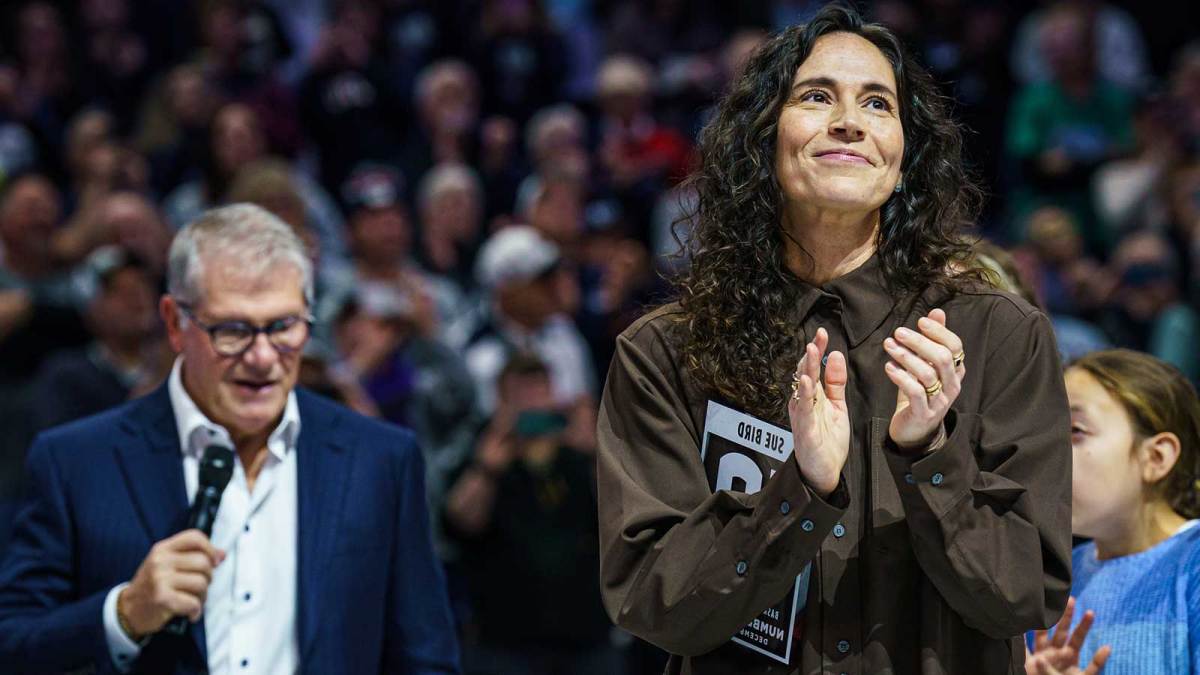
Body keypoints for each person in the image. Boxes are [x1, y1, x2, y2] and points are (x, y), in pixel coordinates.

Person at [596, 6, 1072, 675]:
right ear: (763, 140)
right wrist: (802, 490)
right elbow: (652, 604)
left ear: (905, 157)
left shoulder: (999, 335)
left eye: (877, 103)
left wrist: (928, 453)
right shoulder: (665, 353)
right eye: (817, 96)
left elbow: (1023, 597)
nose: (848, 120)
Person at [0, 204, 459, 674]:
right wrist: (123, 615)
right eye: (233, 330)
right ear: (176, 323)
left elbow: (426, 659)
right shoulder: (76, 462)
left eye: (283, 326)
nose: (262, 358)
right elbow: (13, 647)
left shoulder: (381, 461)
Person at [1025, 349, 1200, 674]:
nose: (1048, 454)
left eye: (1075, 431)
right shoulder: (1052, 577)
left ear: (1157, 458)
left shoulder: (1193, 565)